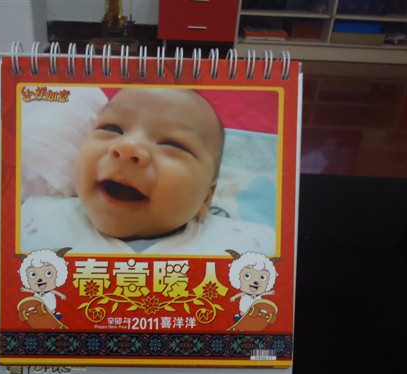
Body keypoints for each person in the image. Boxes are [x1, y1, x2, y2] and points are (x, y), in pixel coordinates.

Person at [20, 87, 275, 255]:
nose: (127, 146)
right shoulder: (34, 219)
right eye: (112, 129)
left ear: (206, 198)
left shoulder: (247, 247)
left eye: (172, 144)